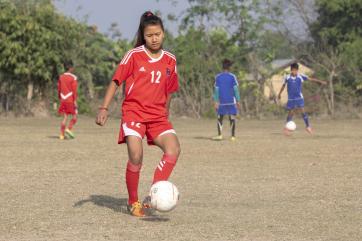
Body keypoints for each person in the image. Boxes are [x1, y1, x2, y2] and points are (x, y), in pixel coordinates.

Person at [95, 11, 180, 217]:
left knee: (174, 149)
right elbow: (116, 81)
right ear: (144, 35)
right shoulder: (134, 55)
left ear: (163, 34)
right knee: (136, 155)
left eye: (158, 34)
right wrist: (104, 108)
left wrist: (165, 112)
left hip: (158, 116)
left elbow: (170, 90)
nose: (154, 38)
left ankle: (154, 195)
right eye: (150, 35)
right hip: (134, 113)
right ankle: (133, 202)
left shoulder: (170, 60)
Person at [278, 63, 326, 135]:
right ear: (291, 70)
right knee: (291, 112)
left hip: (299, 97)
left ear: (297, 70)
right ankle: (286, 128)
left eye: (296, 70)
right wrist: (279, 94)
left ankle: (308, 126)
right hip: (291, 98)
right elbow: (283, 86)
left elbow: (311, 79)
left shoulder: (301, 76)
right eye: (293, 70)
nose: (294, 72)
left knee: (303, 111)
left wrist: (320, 82)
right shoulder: (287, 77)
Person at [213, 59, 241, 141]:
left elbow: (216, 90)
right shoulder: (232, 77)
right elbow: (235, 89)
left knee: (219, 118)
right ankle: (232, 136)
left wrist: (216, 101)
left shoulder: (218, 77)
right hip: (231, 101)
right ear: (229, 67)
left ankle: (220, 135)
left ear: (222, 67)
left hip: (221, 101)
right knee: (232, 118)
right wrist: (238, 100)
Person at [58, 61, 78, 140]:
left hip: (63, 99)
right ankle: (69, 129)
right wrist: (75, 101)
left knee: (65, 117)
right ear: (71, 68)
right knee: (75, 116)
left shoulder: (61, 77)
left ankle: (62, 135)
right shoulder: (73, 77)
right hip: (70, 99)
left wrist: (60, 98)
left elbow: (59, 89)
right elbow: (74, 90)